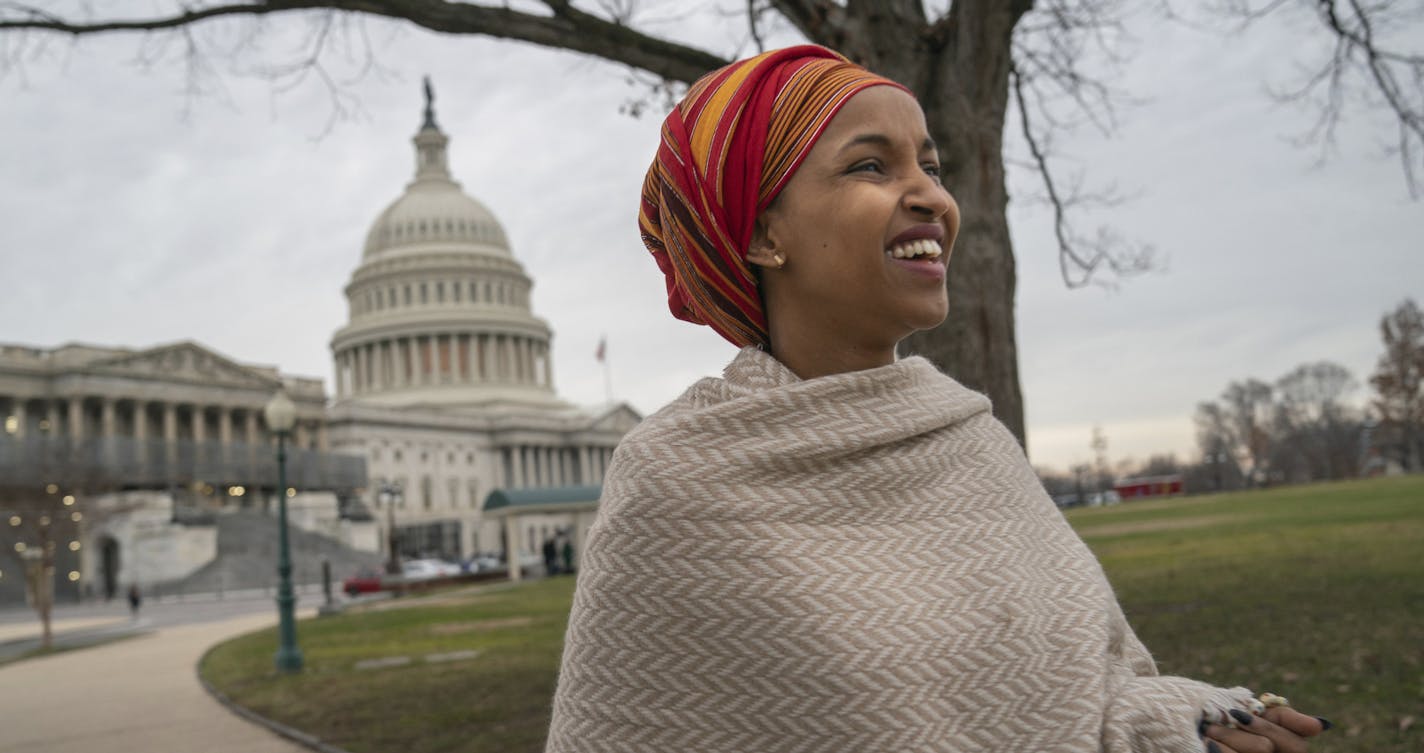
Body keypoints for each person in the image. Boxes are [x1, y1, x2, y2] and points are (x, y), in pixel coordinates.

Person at [545, 46, 1329, 753]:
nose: (931, 198)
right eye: (871, 167)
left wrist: (1174, 723)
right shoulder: (677, 482)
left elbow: (1085, 689)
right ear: (760, 235)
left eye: (931, 165)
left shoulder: (972, 441)